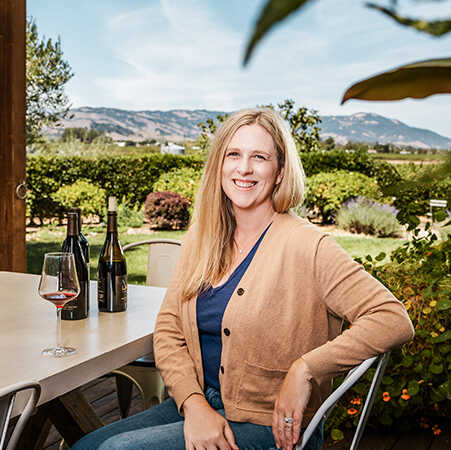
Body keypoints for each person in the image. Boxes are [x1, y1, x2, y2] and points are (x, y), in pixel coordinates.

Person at [73, 108, 414, 450]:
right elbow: (168, 330)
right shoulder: (201, 238)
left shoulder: (307, 245)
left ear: (280, 172)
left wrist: (305, 369)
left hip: (272, 427)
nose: (244, 168)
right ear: (219, 165)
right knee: (85, 447)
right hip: (199, 404)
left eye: (259, 157)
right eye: (233, 154)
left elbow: (391, 318)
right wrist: (193, 404)